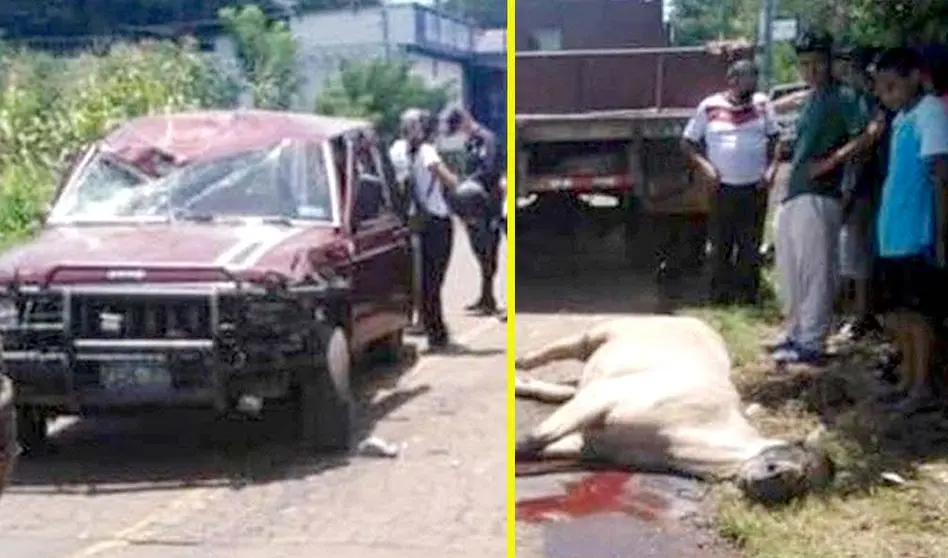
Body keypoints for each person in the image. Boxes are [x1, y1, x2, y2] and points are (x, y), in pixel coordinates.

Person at [770, 31, 872, 365]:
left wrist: (830, 162)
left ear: (829, 62)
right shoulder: (812, 98)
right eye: (804, 64)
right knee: (790, 269)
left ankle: (812, 341)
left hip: (821, 194)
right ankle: (796, 333)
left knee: (816, 270)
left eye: (816, 62)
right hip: (795, 193)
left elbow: (869, 132)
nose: (810, 70)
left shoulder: (844, 96)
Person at [870, 47, 948, 411]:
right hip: (893, 233)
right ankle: (905, 379)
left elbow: (939, 177)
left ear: (915, 77)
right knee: (898, 311)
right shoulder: (902, 118)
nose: (887, 95)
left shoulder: (930, 113)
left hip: (917, 233)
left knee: (919, 315)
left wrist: (941, 232)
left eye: (892, 86)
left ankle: (922, 387)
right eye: (881, 89)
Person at [682, 59, 779, 305]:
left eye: (755, 77)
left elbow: (776, 139)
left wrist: (771, 170)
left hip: (755, 188)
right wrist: (705, 168)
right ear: (733, 80)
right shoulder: (710, 106)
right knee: (721, 243)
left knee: (750, 244)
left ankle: (747, 297)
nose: (753, 83)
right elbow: (687, 142)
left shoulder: (763, 104)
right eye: (748, 78)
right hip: (721, 188)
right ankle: (720, 297)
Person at [832, 45, 886, 341]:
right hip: (866, 185)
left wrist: (848, 191)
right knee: (855, 251)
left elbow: (861, 150)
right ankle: (855, 311)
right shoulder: (867, 98)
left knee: (857, 252)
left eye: (845, 65)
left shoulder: (863, 100)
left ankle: (860, 316)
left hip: (862, 186)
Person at [403, 108, 462, 351]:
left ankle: (434, 330)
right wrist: (456, 181)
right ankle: (437, 334)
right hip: (437, 221)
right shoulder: (427, 151)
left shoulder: (405, 152)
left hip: (421, 222)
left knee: (426, 281)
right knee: (434, 282)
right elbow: (449, 180)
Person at [441, 104, 503, 316]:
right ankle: (486, 297)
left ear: (465, 120)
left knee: (488, 251)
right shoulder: (471, 142)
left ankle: (490, 298)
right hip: (473, 204)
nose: (457, 132)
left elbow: (490, 169)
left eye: (457, 126)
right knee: (479, 251)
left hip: (489, 203)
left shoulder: (487, 139)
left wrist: (466, 181)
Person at [389, 111, 425, 335]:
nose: (416, 129)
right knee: (413, 270)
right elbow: (401, 184)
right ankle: (413, 317)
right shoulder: (398, 151)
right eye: (413, 126)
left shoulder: (423, 150)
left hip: (419, 216)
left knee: (420, 271)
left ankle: (420, 317)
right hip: (408, 217)